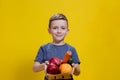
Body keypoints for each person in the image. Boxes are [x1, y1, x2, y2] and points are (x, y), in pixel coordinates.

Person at [33, 13, 81, 80]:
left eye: (63, 28)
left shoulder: (71, 49)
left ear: (67, 31)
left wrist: (75, 67)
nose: (59, 31)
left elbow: (78, 73)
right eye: (55, 28)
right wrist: (43, 65)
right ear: (49, 30)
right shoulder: (44, 48)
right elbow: (34, 68)